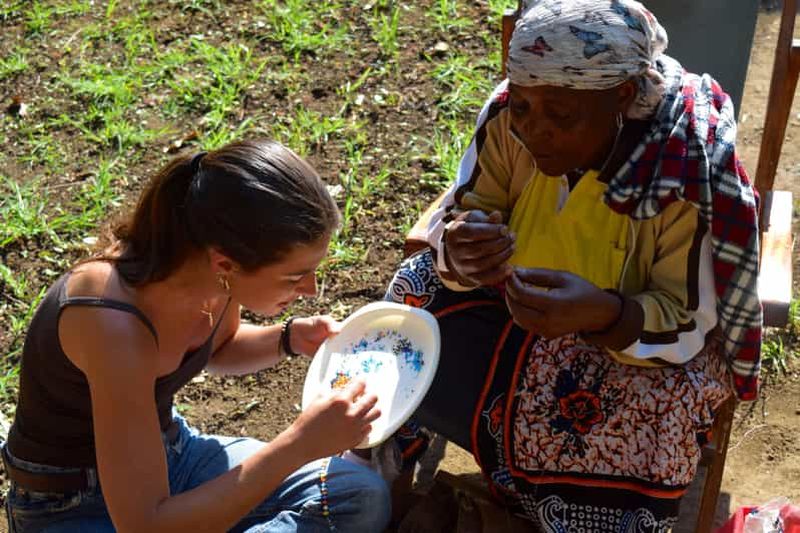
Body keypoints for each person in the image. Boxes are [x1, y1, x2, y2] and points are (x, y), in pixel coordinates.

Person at [384, 0, 762, 530]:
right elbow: (467, 211)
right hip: (513, 308)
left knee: (657, 411)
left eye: (561, 116)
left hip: (633, 346)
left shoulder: (682, 166)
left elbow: (685, 318)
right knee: (415, 290)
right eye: (523, 108)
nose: (536, 131)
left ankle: (566, 510)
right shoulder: (505, 121)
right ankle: (390, 456)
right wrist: (462, 250)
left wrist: (602, 314)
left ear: (622, 98)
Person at [2, 140, 391, 532]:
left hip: (171, 453)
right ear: (225, 262)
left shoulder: (213, 276)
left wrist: (287, 339)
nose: (310, 289)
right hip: (68, 503)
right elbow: (145, 524)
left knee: (359, 496)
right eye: (295, 276)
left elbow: (218, 347)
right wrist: (297, 445)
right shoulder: (112, 323)